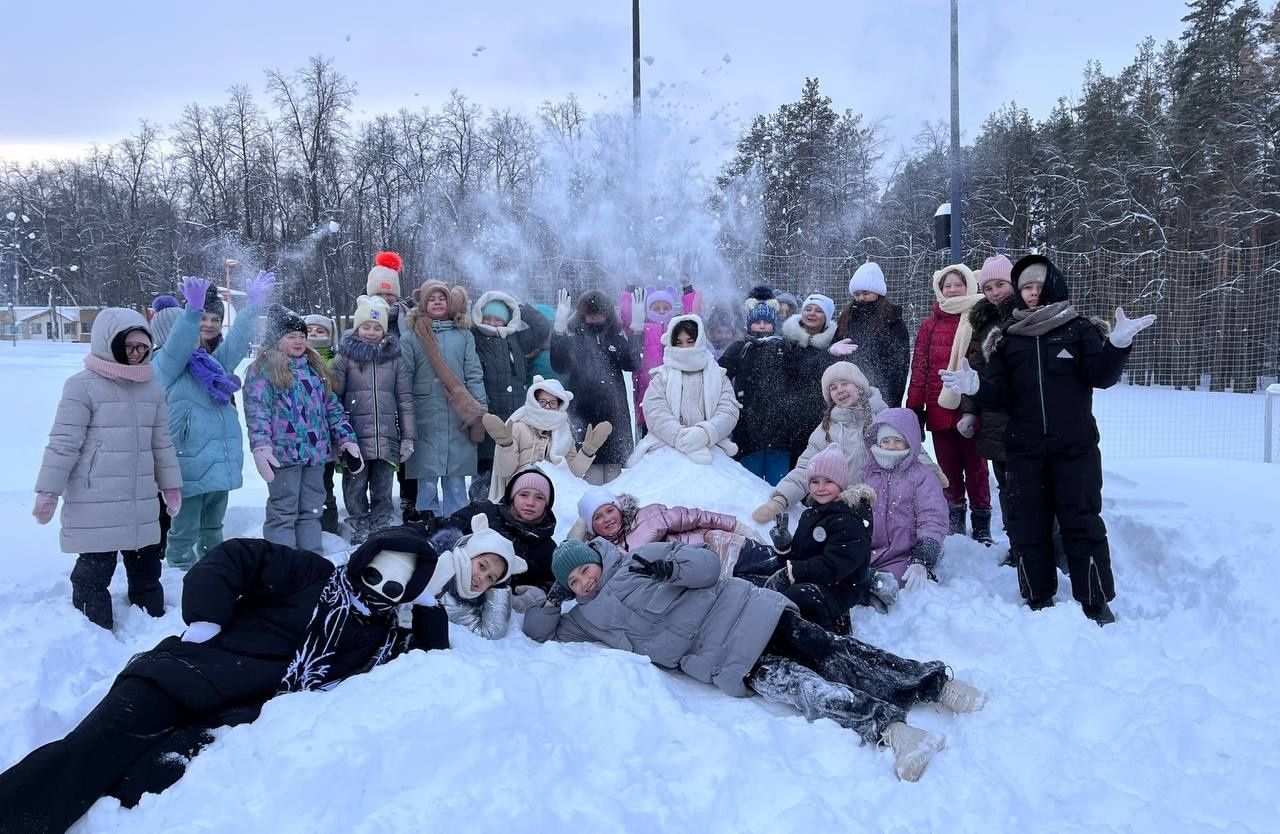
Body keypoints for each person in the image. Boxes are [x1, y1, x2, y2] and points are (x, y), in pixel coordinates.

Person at [0, 523, 492, 833]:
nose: (379, 590)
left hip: (228, 719)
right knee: (88, 754)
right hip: (182, 674)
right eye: (374, 575)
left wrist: (426, 602)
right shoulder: (311, 575)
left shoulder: (379, 636)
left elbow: (430, 664)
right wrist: (207, 617)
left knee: (140, 788)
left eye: (394, 588)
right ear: (363, 561)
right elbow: (237, 555)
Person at [525, 538, 986, 782]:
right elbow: (540, 632)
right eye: (575, 582)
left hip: (751, 613)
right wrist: (552, 599)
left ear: (595, 559)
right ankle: (897, 732)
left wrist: (670, 567)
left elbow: (706, 568)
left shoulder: (638, 558)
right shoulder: (587, 618)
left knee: (837, 655)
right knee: (810, 692)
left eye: (585, 570)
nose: (584, 582)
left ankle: (935, 686)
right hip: (726, 663)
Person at [940, 254, 1157, 625]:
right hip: (1024, 448)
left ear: (1052, 286)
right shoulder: (1007, 338)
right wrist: (976, 388)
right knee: (1028, 522)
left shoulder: (1079, 329)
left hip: (1075, 448)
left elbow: (1100, 377)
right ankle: (1037, 597)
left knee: (1082, 520)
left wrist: (1117, 346)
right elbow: (1000, 394)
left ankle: (1095, 600)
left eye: (1038, 286)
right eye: (1026, 287)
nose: (1032, 293)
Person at [33, 308, 183, 629]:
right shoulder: (82, 386)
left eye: (143, 348)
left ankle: (153, 628)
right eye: (129, 347)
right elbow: (63, 443)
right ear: (108, 343)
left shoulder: (151, 388)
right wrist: (48, 491)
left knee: (146, 568)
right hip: (95, 497)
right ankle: (93, 629)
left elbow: (162, 444)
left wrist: (170, 485)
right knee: (94, 569)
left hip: (141, 498)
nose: (137, 354)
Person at [151, 273, 274, 570]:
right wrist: (191, 312)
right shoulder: (164, 366)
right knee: (185, 526)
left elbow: (233, 345)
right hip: (188, 461)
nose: (197, 334)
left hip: (217, 459)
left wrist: (252, 308)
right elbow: (176, 348)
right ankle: (179, 569)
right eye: (190, 329)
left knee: (213, 523)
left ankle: (213, 564)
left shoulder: (207, 364)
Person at [243, 304, 361, 552]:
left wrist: (347, 439)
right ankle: (282, 563)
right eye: (291, 336)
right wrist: (261, 446)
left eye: (301, 336)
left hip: (315, 455)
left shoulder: (315, 369)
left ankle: (311, 559)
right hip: (283, 457)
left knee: (311, 509)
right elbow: (257, 412)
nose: (298, 341)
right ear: (276, 340)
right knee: (283, 510)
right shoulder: (263, 371)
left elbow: (332, 407)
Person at [732, 444, 872, 635]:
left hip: (837, 590)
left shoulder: (848, 521)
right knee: (753, 578)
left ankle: (827, 638)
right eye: (815, 482)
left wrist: (793, 571)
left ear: (841, 483)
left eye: (828, 481)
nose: (821, 488)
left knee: (798, 597)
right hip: (812, 578)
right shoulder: (812, 514)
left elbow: (833, 567)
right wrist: (786, 546)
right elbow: (803, 555)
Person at [906, 264, 992, 543]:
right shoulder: (930, 325)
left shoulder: (980, 317)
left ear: (969, 285)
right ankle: (954, 515)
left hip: (972, 406)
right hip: (939, 406)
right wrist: (914, 409)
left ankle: (981, 521)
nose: (953, 290)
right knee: (948, 467)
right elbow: (920, 368)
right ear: (939, 290)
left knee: (976, 467)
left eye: (958, 284)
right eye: (947, 285)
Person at [753, 361, 885, 522]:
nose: (840, 390)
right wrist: (780, 500)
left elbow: (915, 458)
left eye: (845, 383)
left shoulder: (884, 418)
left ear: (859, 386)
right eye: (833, 387)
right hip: (845, 513)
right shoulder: (827, 429)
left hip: (888, 507)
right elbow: (806, 467)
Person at [331, 295, 416, 544]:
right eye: (366, 326)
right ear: (357, 328)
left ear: (384, 330)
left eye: (376, 327)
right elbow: (333, 399)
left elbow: (405, 399)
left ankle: (381, 524)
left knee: (383, 486)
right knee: (355, 485)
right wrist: (338, 438)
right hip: (354, 437)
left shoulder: (395, 358)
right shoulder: (344, 358)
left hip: (387, 436)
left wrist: (408, 436)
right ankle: (358, 524)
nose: (371, 332)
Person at [400, 280, 487, 517]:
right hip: (424, 414)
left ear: (450, 303)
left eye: (442, 298)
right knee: (426, 480)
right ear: (423, 303)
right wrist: (405, 413)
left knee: (456, 480)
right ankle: (427, 524)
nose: (437, 302)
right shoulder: (410, 337)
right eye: (431, 298)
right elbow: (404, 376)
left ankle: (456, 524)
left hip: (458, 414)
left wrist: (480, 409)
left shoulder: (464, 335)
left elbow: (474, 373)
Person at [550, 288, 641, 484]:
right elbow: (558, 365)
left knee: (615, 477)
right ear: (582, 315)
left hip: (614, 414)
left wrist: (637, 332)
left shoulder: (615, 339)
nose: (595, 318)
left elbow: (632, 363)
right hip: (583, 412)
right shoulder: (575, 340)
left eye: (599, 313)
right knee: (586, 471)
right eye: (590, 313)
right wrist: (558, 331)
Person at [629, 314, 739, 466]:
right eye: (679, 343)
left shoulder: (718, 376)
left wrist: (705, 434)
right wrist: (681, 438)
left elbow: (728, 411)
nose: (685, 348)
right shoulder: (662, 377)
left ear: (699, 342)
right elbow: (655, 411)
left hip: (713, 451)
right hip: (665, 452)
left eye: (690, 342)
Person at [481, 376, 612, 501]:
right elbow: (506, 471)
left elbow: (573, 472)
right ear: (533, 401)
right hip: (522, 488)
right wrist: (506, 445)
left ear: (559, 406)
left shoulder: (564, 433)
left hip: (557, 489)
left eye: (552, 403)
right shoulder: (517, 428)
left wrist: (587, 451)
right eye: (542, 402)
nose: (547, 406)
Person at [964, 255, 1018, 555]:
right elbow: (974, 369)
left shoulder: (1027, 314)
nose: (995, 292)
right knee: (1007, 486)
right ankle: (1017, 545)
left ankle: (1048, 546)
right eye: (988, 287)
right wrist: (970, 410)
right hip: (994, 415)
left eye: (1001, 284)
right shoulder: (982, 322)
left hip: (1027, 415)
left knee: (1036, 487)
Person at [860, 409, 949, 593]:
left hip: (906, 556)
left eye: (898, 440)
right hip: (869, 553)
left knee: (891, 583)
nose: (891, 446)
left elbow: (932, 518)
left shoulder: (922, 476)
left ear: (910, 441)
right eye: (885, 441)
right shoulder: (868, 474)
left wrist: (923, 558)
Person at [469, 290, 551, 486]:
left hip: (515, 415)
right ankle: (482, 508)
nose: (491, 323)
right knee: (486, 469)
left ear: (507, 321)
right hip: (487, 415)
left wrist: (520, 306)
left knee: (514, 465)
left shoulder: (516, 340)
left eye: (497, 319)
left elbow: (542, 328)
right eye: (487, 318)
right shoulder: (473, 338)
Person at [447, 465, 558, 596]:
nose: (530, 502)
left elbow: (555, 584)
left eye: (539, 497)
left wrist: (540, 592)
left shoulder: (547, 549)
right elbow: (441, 529)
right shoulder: (482, 512)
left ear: (547, 504)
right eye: (523, 494)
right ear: (512, 496)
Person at [363, 250, 418, 513]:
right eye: (380, 294)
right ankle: (370, 506)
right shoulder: (365, 320)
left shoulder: (410, 319)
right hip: (376, 396)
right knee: (377, 452)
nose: (386, 299)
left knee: (408, 450)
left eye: (390, 294)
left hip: (407, 393)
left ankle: (409, 497)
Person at [721, 291, 792, 485]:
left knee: (778, 483)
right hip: (748, 427)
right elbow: (719, 375)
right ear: (749, 323)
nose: (762, 326)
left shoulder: (784, 347)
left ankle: (780, 515)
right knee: (749, 483)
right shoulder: (740, 348)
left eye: (767, 322)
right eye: (757, 321)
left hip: (780, 429)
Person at [571, 486, 757, 556]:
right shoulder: (601, 553)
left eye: (610, 510)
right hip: (686, 577)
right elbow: (571, 565)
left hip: (711, 546)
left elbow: (693, 517)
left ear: (619, 509)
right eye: (597, 517)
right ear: (591, 527)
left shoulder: (646, 517)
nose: (607, 519)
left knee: (771, 563)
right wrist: (576, 536)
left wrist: (736, 526)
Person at [620, 283, 699, 432]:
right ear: (648, 310)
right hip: (646, 390)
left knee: (677, 431)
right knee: (649, 434)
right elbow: (628, 321)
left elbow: (693, 319)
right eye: (656, 308)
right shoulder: (643, 327)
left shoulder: (677, 327)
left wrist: (688, 290)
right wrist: (629, 290)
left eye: (666, 308)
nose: (661, 311)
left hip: (677, 389)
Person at [780, 293, 845, 467]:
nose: (812, 313)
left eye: (818, 311)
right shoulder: (787, 341)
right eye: (808, 309)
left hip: (821, 415)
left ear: (827, 317)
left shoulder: (837, 343)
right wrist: (828, 354)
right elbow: (798, 371)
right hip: (790, 416)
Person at [835, 261, 911, 408]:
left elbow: (899, 366)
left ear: (878, 293)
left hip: (882, 395)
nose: (861, 298)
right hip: (849, 394)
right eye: (857, 294)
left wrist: (888, 399)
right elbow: (836, 349)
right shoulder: (847, 317)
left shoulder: (892, 320)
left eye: (866, 293)